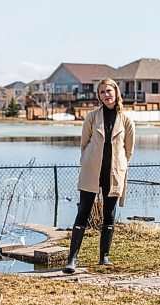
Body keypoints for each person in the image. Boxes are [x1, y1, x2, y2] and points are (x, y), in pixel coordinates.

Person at [62, 78, 135, 274]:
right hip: (91, 171)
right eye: (102, 92)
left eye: (109, 91)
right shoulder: (92, 117)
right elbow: (83, 144)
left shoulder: (126, 120)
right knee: (83, 212)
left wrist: (121, 165)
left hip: (113, 173)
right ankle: (72, 259)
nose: (106, 95)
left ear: (116, 92)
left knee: (109, 215)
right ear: (99, 96)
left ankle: (104, 257)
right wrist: (88, 159)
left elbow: (129, 150)